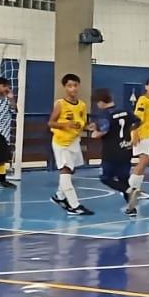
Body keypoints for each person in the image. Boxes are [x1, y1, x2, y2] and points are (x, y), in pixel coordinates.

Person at [48, 73, 94, 216]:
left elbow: (82, 123)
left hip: (74, 141)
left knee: (71, 170)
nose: (73, 88)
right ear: (65, 87)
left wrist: (88, 127)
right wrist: (65, 124)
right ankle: (74, 205)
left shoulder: (82, 105)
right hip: (61, 142)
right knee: (65, 170)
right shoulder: (60, 104)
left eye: (75, 85)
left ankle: (59, 196)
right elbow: (50, 123)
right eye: (69, 86)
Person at [124, 77, 149, 215]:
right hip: (141, 134)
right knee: (144, 160)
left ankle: (135, 189)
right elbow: (136, 119)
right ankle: (129, 188)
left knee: (144, 161)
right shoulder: (142, 101)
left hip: (148, 134)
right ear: (146, 87)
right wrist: (134, 133)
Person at [90, 89, 134, 203]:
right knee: (124, 179)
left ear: (100, 102)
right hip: (126, 149)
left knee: (106, 178)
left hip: (111, 153)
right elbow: (137, 122)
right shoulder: (125, 111)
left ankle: (128, 190)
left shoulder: (105, 115)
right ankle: (131, 207)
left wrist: (95, 133)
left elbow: (103, 131)